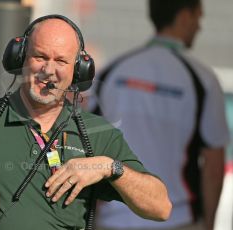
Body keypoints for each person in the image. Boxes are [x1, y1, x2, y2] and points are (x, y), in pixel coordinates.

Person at [0, 15, 171, 229]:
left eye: (61, 61)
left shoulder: (98, 134)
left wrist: (109, 167)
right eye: (40, 57)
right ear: (20, 58)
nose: (49, 70)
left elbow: (161, 208)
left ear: (78, 71)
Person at [89, 0, 229, 230]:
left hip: (111, 221)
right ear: (184, 16)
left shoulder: (114, 70)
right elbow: (214, 166)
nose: (200, 27)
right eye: (198, 17)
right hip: (177, 220)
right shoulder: (203, 79)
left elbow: (84, 140)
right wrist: (209, 224)